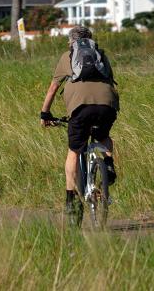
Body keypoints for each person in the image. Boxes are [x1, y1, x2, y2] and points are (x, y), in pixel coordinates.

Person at [40, 26, 119, 225]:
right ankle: (108, 165)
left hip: (80, 108)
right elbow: (110, 80)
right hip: (107, 104)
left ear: (71, 41)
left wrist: (45, 113)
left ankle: (71, 201)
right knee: (103, 136)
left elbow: (53, 88)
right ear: (91, 40)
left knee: (74, 151)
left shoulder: (68, 56)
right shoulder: (101, 55)